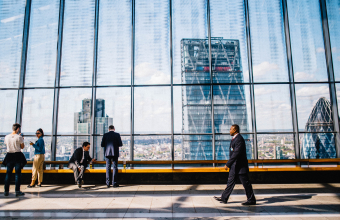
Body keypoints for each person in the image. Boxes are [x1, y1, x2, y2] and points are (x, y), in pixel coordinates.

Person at [214, 124, 256, 205]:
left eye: (231, 129)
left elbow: (236, 153)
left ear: (235, 130)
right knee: (230, 182)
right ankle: (224, 198)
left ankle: (251, 200)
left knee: (246, 183)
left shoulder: (239, 139)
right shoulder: (235, 139)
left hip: (240, 166)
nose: (229, 131)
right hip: (235, 166)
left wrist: (228, 164)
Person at [3, 123, 26, 196]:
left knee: (8, 174)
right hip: (17, 156)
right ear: (18, 129)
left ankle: (6, 191)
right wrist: (22, 139)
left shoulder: (6, 137)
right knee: (17, 174)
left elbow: (7, 145)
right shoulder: (19, 137)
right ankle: (17, 191)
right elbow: (22, 147)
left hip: (9, 155)